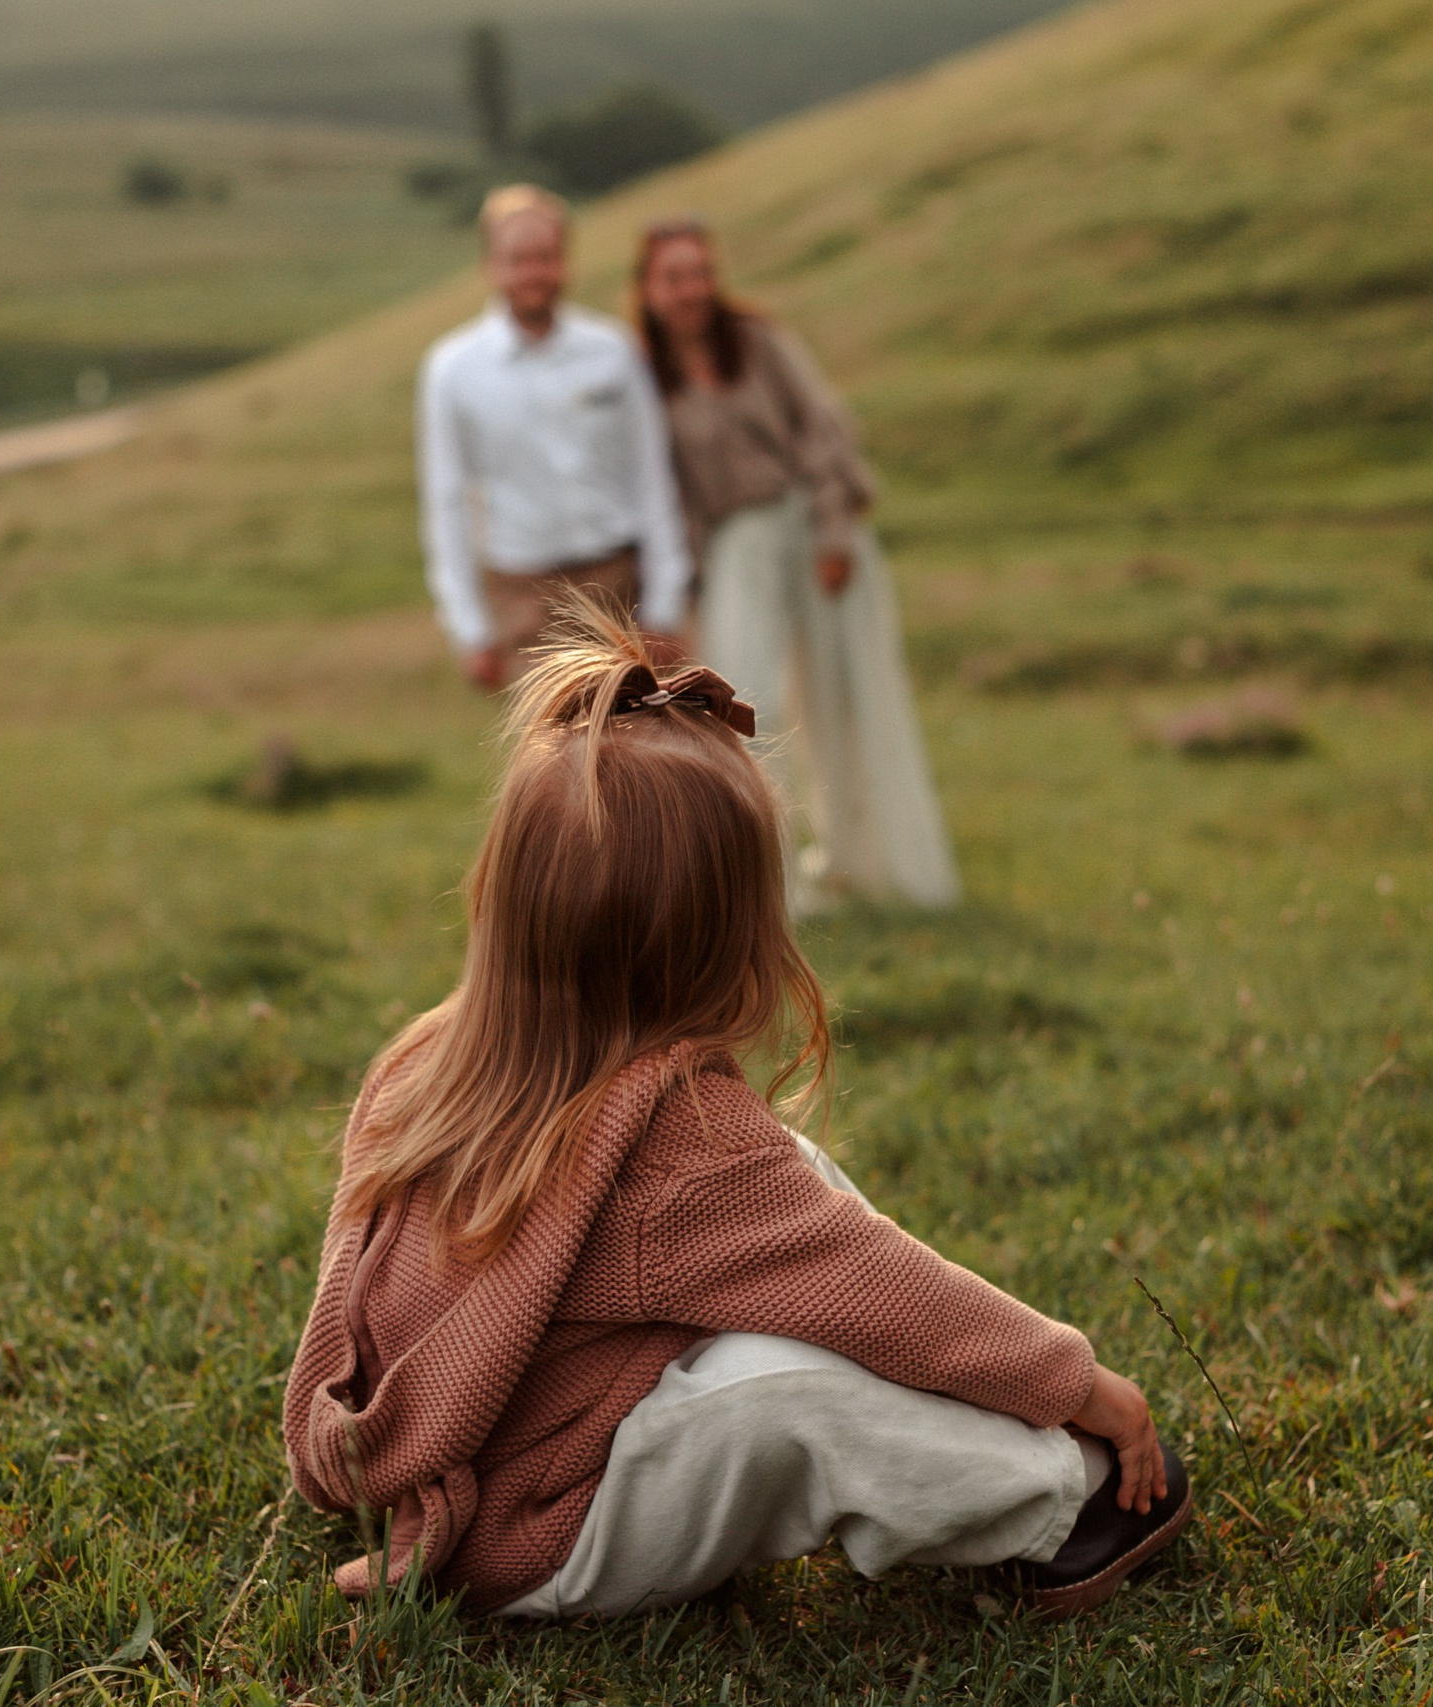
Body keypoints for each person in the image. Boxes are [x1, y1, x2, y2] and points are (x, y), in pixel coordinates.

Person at [283, 601, 1191, 1620]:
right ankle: (1062, 1502)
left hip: (469, 1465)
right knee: (782, 1389)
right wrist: (1083, 1389)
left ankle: (979, 1418)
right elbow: (894, 1296)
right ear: (733, 944)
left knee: (796, 1195)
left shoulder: (423, 1060)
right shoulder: (683, 1149)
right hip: (536, 1534)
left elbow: (343, 1293)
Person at [631, 218, 959, 908]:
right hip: (735, 547)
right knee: (744, 702)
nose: (691, 289)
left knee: (847, 694)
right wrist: (683, 588)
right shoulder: (643, 377)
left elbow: (822, 427)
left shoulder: (758, 342)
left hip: (812, 528)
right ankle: (766, 880)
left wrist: (835, 532)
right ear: (648, 288)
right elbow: (668, 491)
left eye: (700, 272)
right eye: (674, 276)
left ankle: (870, 860)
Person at [417, 185, 692, 687]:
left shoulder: (613, 351)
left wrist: (665, 606)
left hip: (620, 582)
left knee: (642, 754)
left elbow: (652, 474)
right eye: (518, 259)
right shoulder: (452, 370)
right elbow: (446, 503)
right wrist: (470, 630)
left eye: (546, 257)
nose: (533, 273)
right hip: (524, 596)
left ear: (565, 261)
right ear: (490, 266)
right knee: (551, 759)